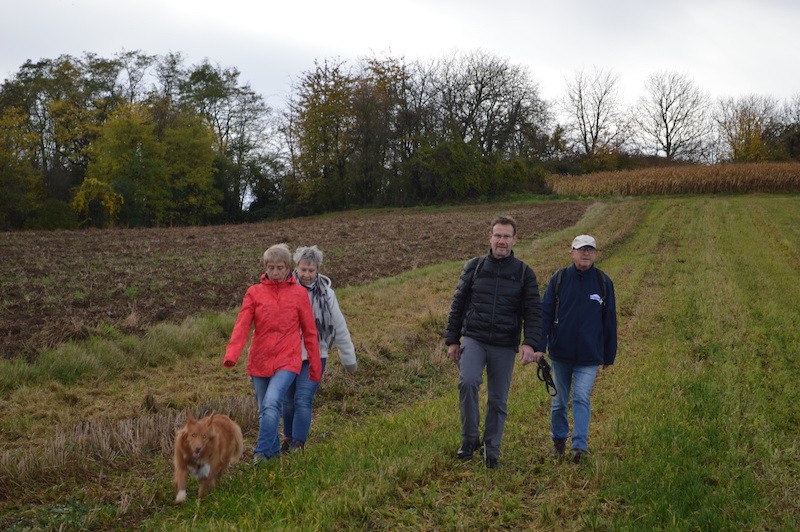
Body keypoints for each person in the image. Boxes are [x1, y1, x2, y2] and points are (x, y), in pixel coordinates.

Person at [444, 215, 542, 468]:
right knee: (468, 382)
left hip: (503, 344)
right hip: (474, 338)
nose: (501, 241)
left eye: (506, 236)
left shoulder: (524, 273)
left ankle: (492, 448)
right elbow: (458, 304)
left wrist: (530, 343)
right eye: (497, 235)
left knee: (498, 399)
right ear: (490, 237)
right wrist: (453, 340)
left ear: (515, 240)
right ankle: (469, 440)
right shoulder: (474, 267)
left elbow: (533, 311)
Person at [223, 243, 322, 462]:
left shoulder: (298, 294)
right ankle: (274, 454)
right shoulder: (254, 293)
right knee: (264, 410)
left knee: (271, 403)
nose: (275, 272)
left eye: (280, 267)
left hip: (288, 359)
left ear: (288, 268)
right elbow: (242, 325)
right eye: (271, 267)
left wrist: (315, 364)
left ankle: (261, 453)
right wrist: (232, 355)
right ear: (265, 267)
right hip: (259, 359)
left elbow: (310, 332)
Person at [533, 234, 617, 464]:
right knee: (559, 400)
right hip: (561, 354)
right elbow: (545, 315)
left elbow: (609, 321)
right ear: (572, 252)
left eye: (590, 249)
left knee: (580, 397)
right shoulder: (558, 280)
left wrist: (609, 354)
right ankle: (559, 440)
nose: (585, 253)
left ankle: (579, 446)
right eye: (581, 249)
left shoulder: (603, 283)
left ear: (595, 253)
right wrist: (539, 347)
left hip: (589, 356)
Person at [281, 245, 357, 453]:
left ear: (317, 270)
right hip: (288, 354)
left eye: (311, 270)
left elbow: (339, 327)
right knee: (287, 401)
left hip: (316, 354)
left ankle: (299, 444)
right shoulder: (284, 290)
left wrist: (348, 359)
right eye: (302, 270)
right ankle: (287, 439)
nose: (306, 274)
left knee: (303, 398)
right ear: (296, 268)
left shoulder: (327, 294)